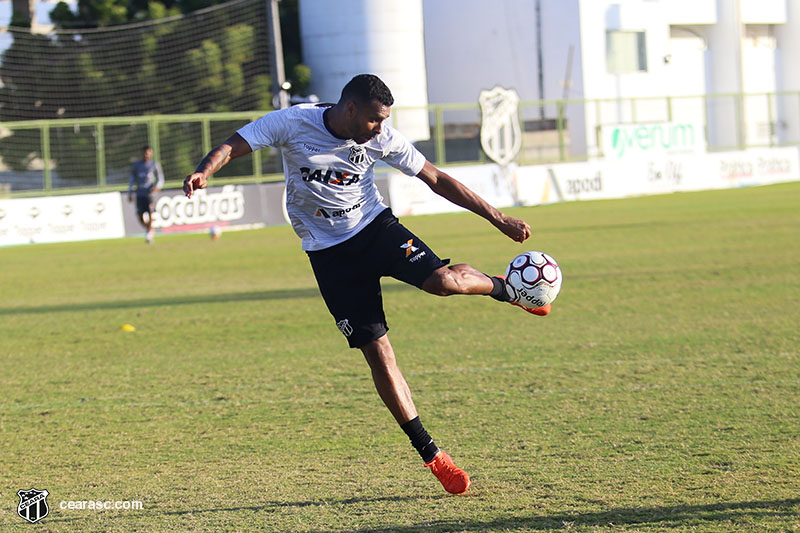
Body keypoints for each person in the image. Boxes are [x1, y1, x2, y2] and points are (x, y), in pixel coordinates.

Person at [183, 74, 551, 495]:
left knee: (445, 282)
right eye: (375, 120)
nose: (380, 128)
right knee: (379, 354)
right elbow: (234, 144)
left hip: (375, 229)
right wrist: (204, 171)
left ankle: (508, 290)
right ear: (351, 109)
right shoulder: (293, 122)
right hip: (329, 255)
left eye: (384, 122)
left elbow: (436, 178)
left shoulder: (382, 138)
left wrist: (498, 218)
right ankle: (434, 456)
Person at [129, 145, 165, 243]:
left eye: (148, 152)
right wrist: (130, 191)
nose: (147, 155)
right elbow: (132, 179)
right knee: (140, 215)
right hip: (140, 193)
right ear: (142, 153)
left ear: (151, 153)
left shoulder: (154, 164)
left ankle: (149, 233)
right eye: (145, 153)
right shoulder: (137, 165)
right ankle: (149, 229)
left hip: (150, 193)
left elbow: (161, 178)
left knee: (150, 213)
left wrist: (157, 187)